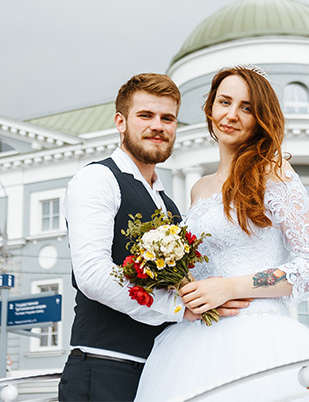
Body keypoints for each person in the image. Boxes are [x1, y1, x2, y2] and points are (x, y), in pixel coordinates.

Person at [134, 66, 309, 402]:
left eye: (246, 107)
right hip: (192, 346)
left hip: (260, 339)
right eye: (224, 102)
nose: (231, 115)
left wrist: (230, 287)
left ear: (260, 117)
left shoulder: (273, 172)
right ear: (210, 108)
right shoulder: (199, 188)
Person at [59, 73, 248, 402]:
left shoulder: (168, 203)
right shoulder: (97, 180)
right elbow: (92, 274)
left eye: (167, 118)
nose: (158, 126)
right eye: (145, 115)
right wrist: (178, 307)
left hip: (161, 373)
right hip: (105, 368)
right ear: (121, 122)